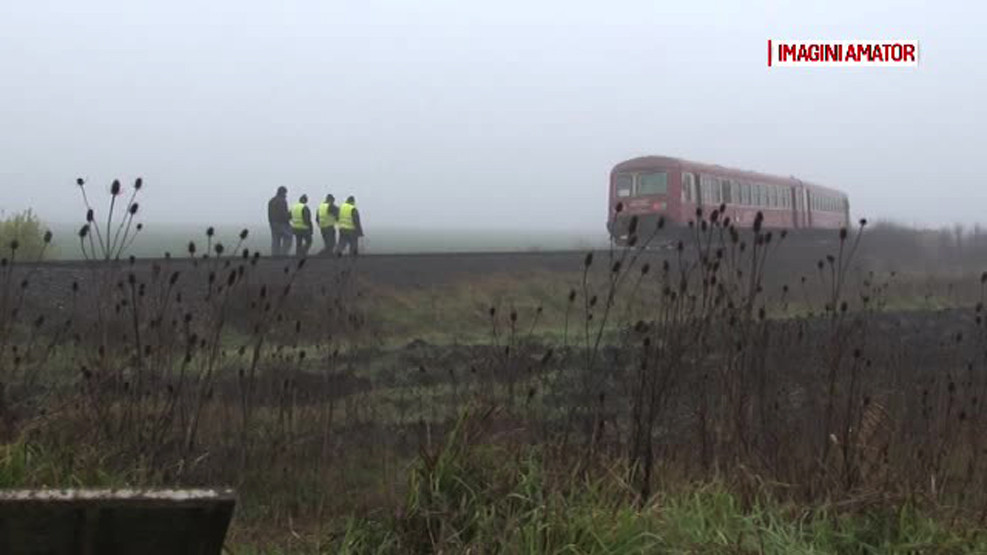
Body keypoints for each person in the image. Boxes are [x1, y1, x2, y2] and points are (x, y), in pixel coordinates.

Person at [267, 186, 292, 256]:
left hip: (273, 223)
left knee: (276, 240)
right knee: (288, 237)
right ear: (283, 192)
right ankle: (283, 254)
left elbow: (269, 214)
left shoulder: (271, 201)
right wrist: (290, 215)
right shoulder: (282, 201)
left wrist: (271, 222)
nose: (286, 195)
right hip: (282, 223)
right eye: (285, 193)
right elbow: (283, 214)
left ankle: (275, 256)